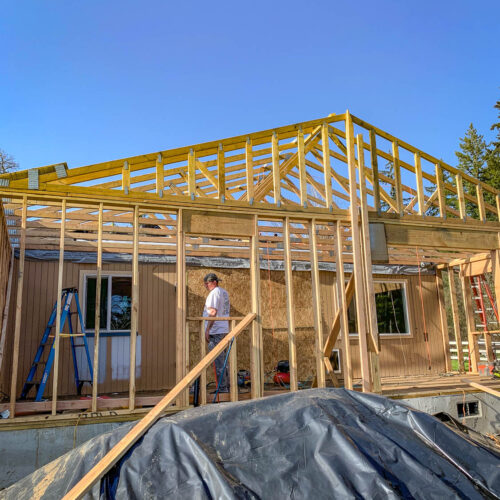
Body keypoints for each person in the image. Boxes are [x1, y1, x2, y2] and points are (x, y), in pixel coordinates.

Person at [203, 272, 231, 393]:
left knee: (219, 360)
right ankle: (227, 386)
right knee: (223, 360)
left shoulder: (214, 293)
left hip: (216, 331)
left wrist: (208, 329)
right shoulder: (224, 292)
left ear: (214, 282)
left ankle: (222, 388)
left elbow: (213, 312)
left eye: (207, 283)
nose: (205, 286)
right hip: (223, 330)